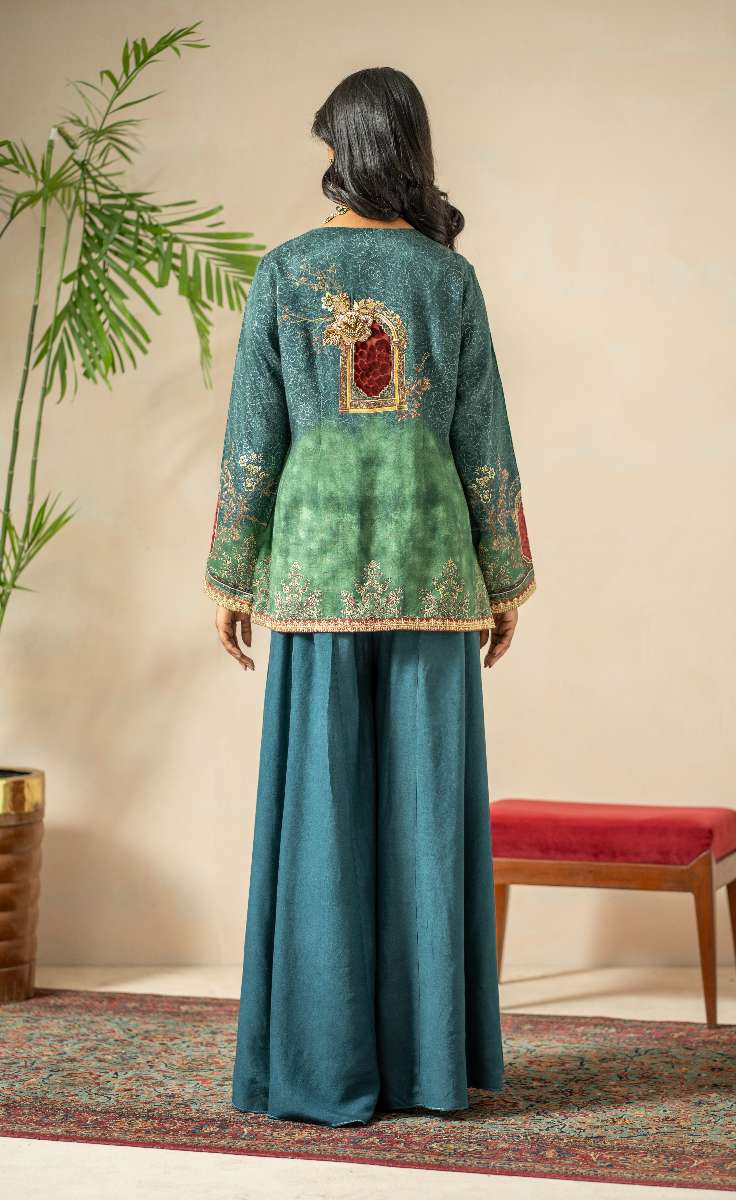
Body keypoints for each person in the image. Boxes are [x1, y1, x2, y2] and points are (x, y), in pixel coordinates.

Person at [203, 66, 536, 1127]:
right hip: (433, 567)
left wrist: (230, 571)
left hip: (313, 571)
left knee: (321, 817)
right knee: (425, 818)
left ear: (343, 149)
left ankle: (321, 1062)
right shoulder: (449, 278)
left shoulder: (285, 271)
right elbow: (483, 439)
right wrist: (503, 578)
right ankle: (426, 1069)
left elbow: (253, 438)